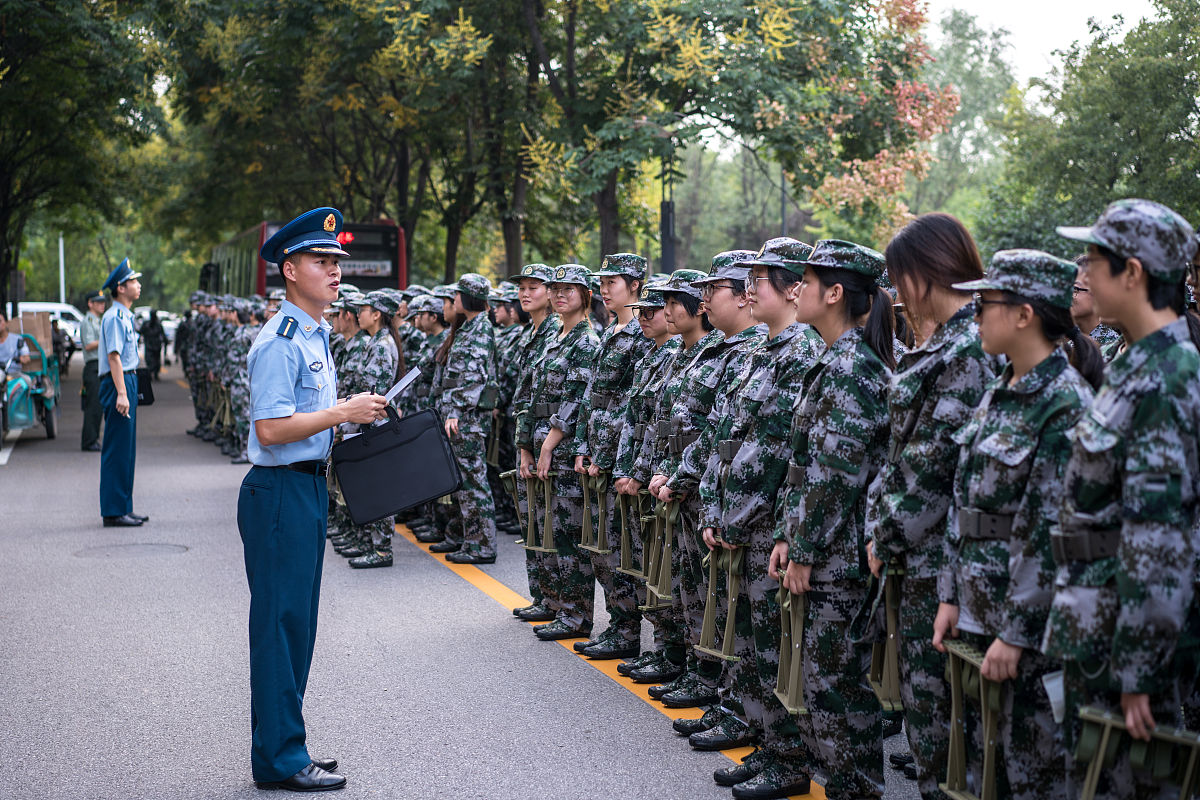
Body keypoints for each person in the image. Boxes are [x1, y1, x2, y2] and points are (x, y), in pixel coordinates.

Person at [1043, 199, 1200, 800]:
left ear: (1132, 274)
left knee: (1134, 785)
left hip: (1127, 645)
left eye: (1094, 260)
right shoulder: (1137, 364)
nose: (1083, 272)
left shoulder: (1168, 376)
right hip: (1095, 627)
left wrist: (1139, 668)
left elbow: (1157, 536)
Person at [938, 249, 1101, 799]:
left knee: (1032, 773)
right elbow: (965, 503)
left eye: (986, 303)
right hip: (981, 613)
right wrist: (950, 595)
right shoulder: (1000, 389)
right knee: (984, 767)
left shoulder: (1065, 405)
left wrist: (1016, 630)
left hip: (1029, 632)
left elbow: (1051, 533)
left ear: (1025, 313)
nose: (976, 315)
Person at [239, 207, 386, 792]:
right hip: (278, 491)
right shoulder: (278, 341)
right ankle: (277, 758)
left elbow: (307, 421)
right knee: (280, 625)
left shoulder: (313, 332)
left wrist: (352, 416)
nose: (334, 272)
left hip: (304, 487)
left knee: (297, 626)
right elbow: (271, 429)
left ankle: (286, 742)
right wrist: (340, 412)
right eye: (321, 261)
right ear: (290, 269)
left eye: (336, 262)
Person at [866, 213, 996, 800]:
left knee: (945, 726)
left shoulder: (968, 348)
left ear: (923, 274)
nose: (895, 293)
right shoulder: (944, 342)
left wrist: (885, 536)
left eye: (898, 278)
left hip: (940, 564)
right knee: (928, 719)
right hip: (918, 560)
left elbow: (932, 469)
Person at [695, 239, 825, 800]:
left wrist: (742, 517)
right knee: (751, 640)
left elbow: (780, 456)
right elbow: (729, 439)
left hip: (768, 526)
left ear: (795, 287)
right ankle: (769, 745)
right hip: (740, 523)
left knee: (777, 649)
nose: (749, 290)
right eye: (746, 280)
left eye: (762, 280)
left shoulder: (800, 352)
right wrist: (716, 506)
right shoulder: (759, 352)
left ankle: (790, 758)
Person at [772, 240, 896, 800]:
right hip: (820, 550)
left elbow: (835, 475)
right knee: (820, 689)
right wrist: (784, 534)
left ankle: (859, 789)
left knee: (838, 692)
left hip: (836, 562)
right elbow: (801, 467)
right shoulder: (832, 362)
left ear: (836, 292)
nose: (796, 289)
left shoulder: (851, 368)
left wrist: (804, 550)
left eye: (806, 279)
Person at [573, 253, 652, 659]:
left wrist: (609, 455)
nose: (604, 290)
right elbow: (592, 395)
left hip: (619, 455)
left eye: (613, 283)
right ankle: (618, 624)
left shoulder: (642, 331)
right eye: (601, 283)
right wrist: (583, 445)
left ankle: (629, 631)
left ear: (635, 285)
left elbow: (632, 404)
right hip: (598, 450)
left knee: (624, 548)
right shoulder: (610, 331)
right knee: (602, 547)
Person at [516, 263, 600, 640]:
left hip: (562, 451)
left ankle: (576, 615)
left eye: (570, 288)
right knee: (545, 526)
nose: (560, 294)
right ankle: (551, 600)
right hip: (539, 445)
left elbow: (575, 402)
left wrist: (548, 444)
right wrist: (525, 447)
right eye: (556, 288)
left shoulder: (586, 342)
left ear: (586, 296)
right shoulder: (554, 339)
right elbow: (532, 397)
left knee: (567, 533)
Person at [435, 273, 501, 564]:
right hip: (463, 417)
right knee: (466, 483)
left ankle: (482, 545)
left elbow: (474, 377)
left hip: (468, 420)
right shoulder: (470, 327)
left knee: (474, 483)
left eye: (459, 294)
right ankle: (471, 540)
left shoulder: (480, 329)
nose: (455, 299)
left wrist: (457, 411)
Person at [98, 258, 148, 528]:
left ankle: (124, 506)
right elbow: (114, 357)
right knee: (117, 450)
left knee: (126, 450)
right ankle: (114, 511)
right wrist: (121, 393)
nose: (138, 285)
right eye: (134, 281)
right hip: (118, 382)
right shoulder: (114, 317)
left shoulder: (124, 316)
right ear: (120, 288)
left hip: (127, 380)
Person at [80, 291, 106, 451]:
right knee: (93, 407)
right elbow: (89, 344)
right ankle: (89, 441)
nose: (102, 304)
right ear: (90, 303)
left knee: (98, 406)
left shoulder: (97, 320)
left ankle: (93, 439)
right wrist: (105, 336)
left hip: (99, 366)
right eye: (98, 302)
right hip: (93, 366)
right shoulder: (87, 321)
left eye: (103, 301)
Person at [142, 309, 166, 380]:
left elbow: (162, 334)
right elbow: (141, 332)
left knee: (156, 360)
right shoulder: (146, 324)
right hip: (150, 345)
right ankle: (151, 373)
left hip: (156, 346)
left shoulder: (158, 324)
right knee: (150, 360)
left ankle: (155, 374)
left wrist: (165, 341)